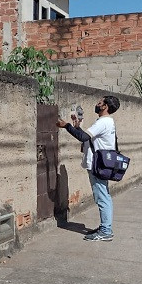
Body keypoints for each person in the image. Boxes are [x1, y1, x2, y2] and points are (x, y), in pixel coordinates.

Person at [56, 95, 120, 242]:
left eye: (100, 103)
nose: (97, 105)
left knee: (102, 197)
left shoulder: (103, 122)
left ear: (105, 107)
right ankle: (106, 227)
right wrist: (77, 127)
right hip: (102, 164)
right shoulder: (107, 122)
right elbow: (89, 137)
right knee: (104, 196)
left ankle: (105, 231)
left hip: (97, 165)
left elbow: (83, 138)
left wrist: (67, 126)